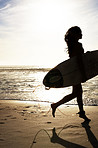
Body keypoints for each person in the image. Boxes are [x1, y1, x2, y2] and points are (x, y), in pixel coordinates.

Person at [51, 26, 90, 121]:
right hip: (77, 72)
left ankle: (81, 112)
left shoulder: (72, 45)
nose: (81, 34)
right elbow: (79, 61)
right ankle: (55, 105)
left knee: (78, 92)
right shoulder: (78, 45)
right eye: (80, 32)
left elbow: (76, 58)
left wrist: (86, 55)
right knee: (76, 93)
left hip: (73, 71)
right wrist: (83, 75)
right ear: (76, 34)